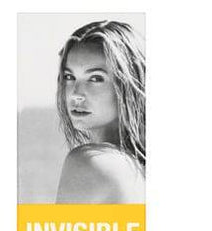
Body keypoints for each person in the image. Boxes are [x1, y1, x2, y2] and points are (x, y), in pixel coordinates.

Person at [55, 20, 146, 204]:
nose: (76, 94)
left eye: (96, 78)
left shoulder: (90, 163)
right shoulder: (138, 169)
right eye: (69, 76)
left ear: (127, 86)